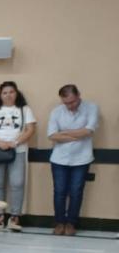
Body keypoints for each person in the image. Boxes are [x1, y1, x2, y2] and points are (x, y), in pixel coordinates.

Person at [0, 81, 37, 232]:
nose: (8, 95)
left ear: (16, 93)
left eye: (11, 92)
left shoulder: (25, 110)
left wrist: (16, 142)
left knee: (17, 183)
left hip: (18, 150)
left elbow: (30, 129)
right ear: (0, 95)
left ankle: (14, 217)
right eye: (5, 92)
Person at [47, 84, 99, 236]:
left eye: (72, 102)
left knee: (76, 191)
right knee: (59, 191)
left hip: (82, 158)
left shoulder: (92, 108)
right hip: (59, 158)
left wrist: (64, 133)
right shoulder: (56, 111)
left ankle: (71, 223)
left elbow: (88, 131)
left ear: (78, 96)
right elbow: (52, 135)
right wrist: (78, 134)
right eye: (66, 103)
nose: (69, 106)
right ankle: (59, 222)